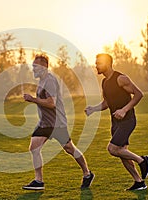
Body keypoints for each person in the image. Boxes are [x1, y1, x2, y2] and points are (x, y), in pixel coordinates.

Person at [22, 54, 94, 190]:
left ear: (43, 67)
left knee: (69, 149)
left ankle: (87, 173)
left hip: (56, 123)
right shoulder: (42, 81)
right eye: (33, 66)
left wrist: (33, 99)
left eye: (35, 67)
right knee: (34, 148)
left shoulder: (49, 80)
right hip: (45, 123)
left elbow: (51, 103)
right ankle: (39, 181)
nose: (33, 69)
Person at [85, 53, 148, 191]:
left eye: (98, 63)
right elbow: (107, 103)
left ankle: (142, 160)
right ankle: (139, 182)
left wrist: (124, 110)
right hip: (115, 122)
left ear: (107, 64)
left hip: (128, 120)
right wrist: (94, 109)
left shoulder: (120, 78)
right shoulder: (105, 82)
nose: (96, 65)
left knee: (113, 149)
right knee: (122, 153)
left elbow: (139, 94)